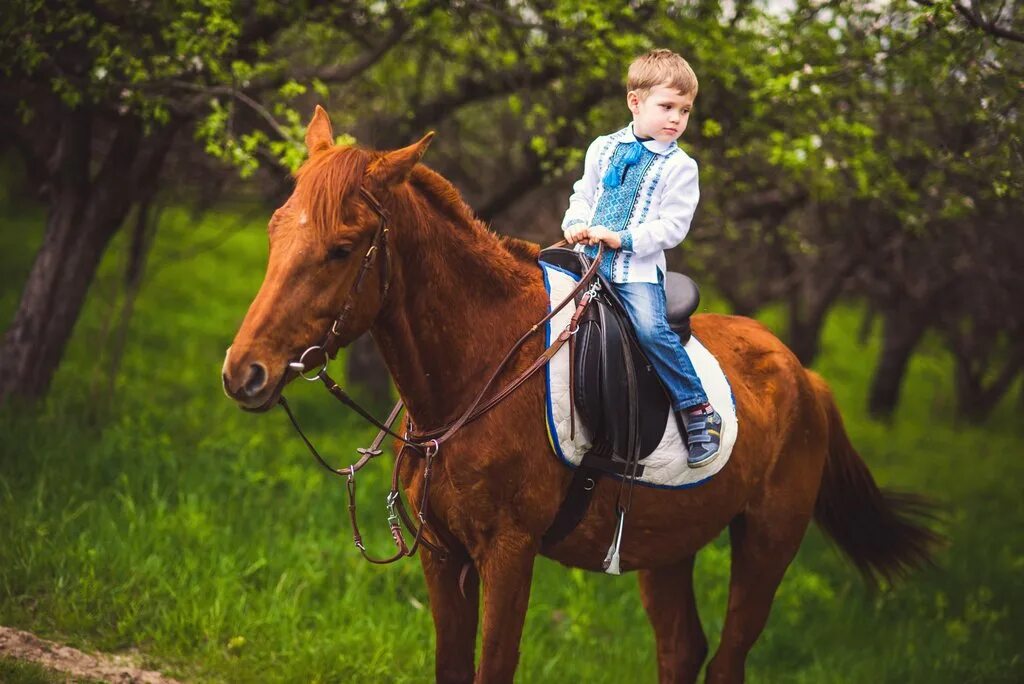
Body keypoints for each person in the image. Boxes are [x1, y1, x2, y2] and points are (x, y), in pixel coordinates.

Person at [561, 49, 722, 468]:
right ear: (635, 102)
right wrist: (575, 222)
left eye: (684, 110)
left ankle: (697, 408)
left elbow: (673, 226)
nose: (676, 119)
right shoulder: (603, 147)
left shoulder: (680, 167)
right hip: (586, 261)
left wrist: (622, 237)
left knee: (651, 331)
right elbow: (584, 193)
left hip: (636, 272)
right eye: (666, 106)